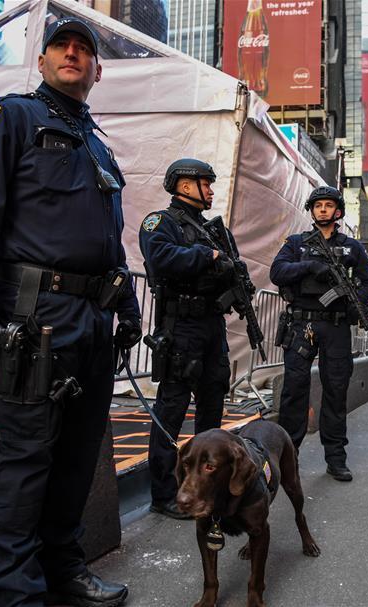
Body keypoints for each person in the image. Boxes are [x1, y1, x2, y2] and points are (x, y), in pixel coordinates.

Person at [0, 18, 138, 607]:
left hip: (92, 321)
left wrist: (123, 306)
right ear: (43, 60)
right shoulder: (9, 118)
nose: (73, 54)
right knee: (25, 461)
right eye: (62, 46)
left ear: (97, 71)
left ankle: (64, 572)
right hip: (35, 317)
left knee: (77, 458)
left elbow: (109, 239)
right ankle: (15, 594)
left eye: (84, 50)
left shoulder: (95, 141)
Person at [138, 158, 243, 518]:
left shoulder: (211, 229)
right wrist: (207, 255)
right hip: (181, 327)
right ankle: (165, 494)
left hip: (212, 326)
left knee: (212, 408)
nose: (211, 191)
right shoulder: (161, 223)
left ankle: (207, 491)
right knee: (172, 410)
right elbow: (160, 257)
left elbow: (229, 269)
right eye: (205, 184)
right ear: (184, 185)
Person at [269, 186, 368, 482]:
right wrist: (309, 268)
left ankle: (336, 457)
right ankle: (289, 456)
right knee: (295, 390)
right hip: (303, 326)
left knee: (336, 390)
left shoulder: (353, 248)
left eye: (329, 205)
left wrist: (356, 302)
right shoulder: (295, 243)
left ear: (337, 211)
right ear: (312, 210)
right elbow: (277, 272)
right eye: (318, 206)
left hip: (337, 325)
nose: (323, 210)